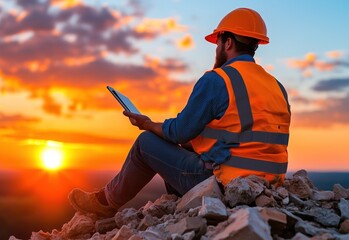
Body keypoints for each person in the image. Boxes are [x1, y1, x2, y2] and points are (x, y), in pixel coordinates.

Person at [68, 8, 291, 218]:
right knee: (186, 146)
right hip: (268, 188)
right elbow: (246, 138)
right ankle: (181, 204)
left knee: (146, 142)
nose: (216, 48)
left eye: (217, 42)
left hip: (227, 186)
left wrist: (148, 124)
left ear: (228, 42)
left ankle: (106, 202)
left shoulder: (218, 80)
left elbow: (178, 132)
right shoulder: (276, 86)